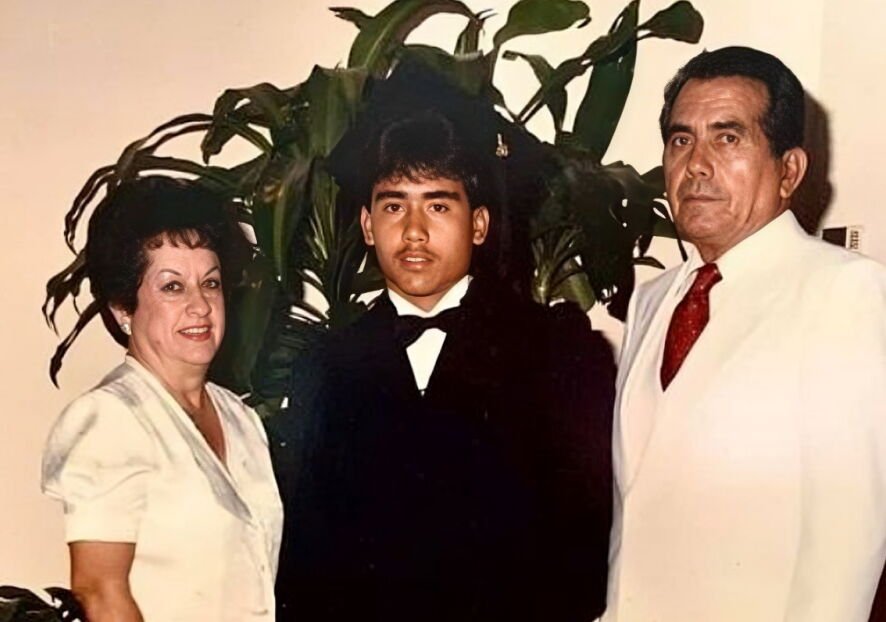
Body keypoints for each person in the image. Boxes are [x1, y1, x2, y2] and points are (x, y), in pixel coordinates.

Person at [274, 101, 616, 620]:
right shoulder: (323, 367)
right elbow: (303, 563)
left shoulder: (558, 352)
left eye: (438, 206)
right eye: (393, 207)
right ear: (367, 225)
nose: (413, 232)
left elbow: (584, 553)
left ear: (478, 224)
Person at [604, 46, 886, 621]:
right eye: (681, 140)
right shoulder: (653, 300)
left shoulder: (848, 294)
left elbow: (848, 541)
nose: (697, 164)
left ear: (790, 171)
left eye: (728, 138)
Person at [42, 177, 283, 622]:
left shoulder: (240, 417)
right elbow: (99, 591)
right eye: (172, 287)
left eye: (210, 284)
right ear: (123, 308)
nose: (200, 306)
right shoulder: (110, 419)